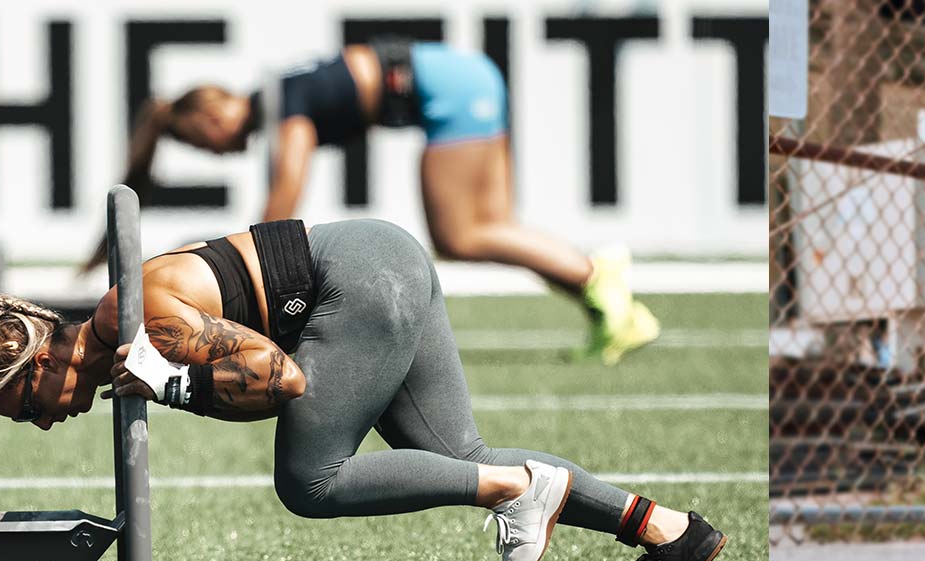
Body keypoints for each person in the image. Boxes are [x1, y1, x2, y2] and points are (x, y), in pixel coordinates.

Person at [0, 217, 723, 561]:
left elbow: (281, 382)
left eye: (22, 407)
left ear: (41, 360)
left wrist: (176, 388)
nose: (39, 423)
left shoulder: (127, 320)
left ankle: (517, 490)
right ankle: (671, 533)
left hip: (358, 282)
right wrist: (179, 387)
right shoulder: (125, 341)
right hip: (380, 260)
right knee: (461, 449)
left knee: (310, 480)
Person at [84, 39, 659, 365]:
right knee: (491, 226)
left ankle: (596, 272)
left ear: (211, 115)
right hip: (461, 78)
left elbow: (286, 194)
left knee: (460, 235)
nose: (209, 152)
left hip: (447, 89)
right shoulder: (279, 90)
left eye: (193, 140)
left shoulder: (280, 102)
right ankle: (615, 313)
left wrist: (243, 267)